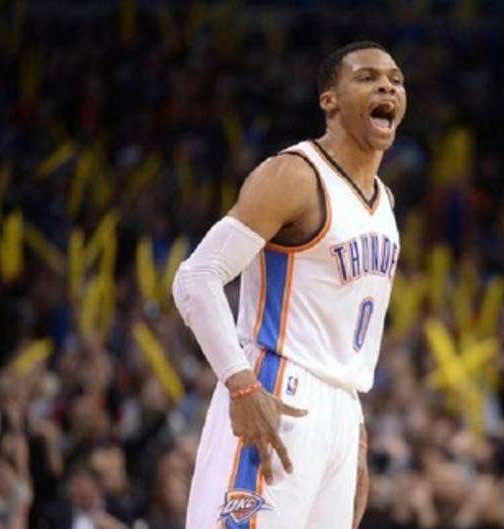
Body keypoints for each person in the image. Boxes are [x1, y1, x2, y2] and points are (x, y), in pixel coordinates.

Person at [172, 41, 406, 529]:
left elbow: (343, 334)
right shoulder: (295, 175)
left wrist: (353, 429)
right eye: (367, 77)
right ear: (330, 100)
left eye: (395, 80)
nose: (387, 86)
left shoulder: (383, 201)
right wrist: (240, 384)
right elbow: (196, 277)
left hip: (341, 411)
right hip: (276, 391)